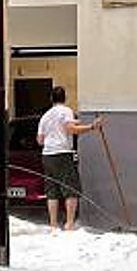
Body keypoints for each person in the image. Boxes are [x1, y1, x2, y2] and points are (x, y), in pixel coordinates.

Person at [36, 87, 104, 230]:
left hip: (47, 155)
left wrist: (75, 123)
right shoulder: (66, 111)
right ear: (65, 98)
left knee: (51, 191)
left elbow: (40, 140)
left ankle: (53, 225)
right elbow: (70, 129)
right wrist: (92, 126)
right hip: (62, 153)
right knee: (71, 189)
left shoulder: (45, 116)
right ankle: (69, 223)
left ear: (51, 99)